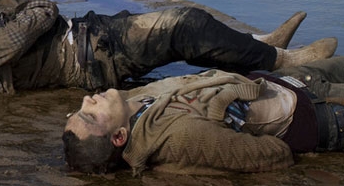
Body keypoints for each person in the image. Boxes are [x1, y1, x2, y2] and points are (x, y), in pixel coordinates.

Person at [0, 0, 337, 94]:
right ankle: (283, 61)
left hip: (85, 40)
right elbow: (17, 35)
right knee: (182, 25)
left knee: (182, 33)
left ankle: (259, 46)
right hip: (89, 53)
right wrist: (39, 6)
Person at [63, 56, 344, 175]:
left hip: (286, 80)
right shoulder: (181, 137)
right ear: (119, 136)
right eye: (90, 114)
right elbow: (275, 154)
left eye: (80, 108)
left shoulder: (134, 108)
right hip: (318, 111)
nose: (87, 100)